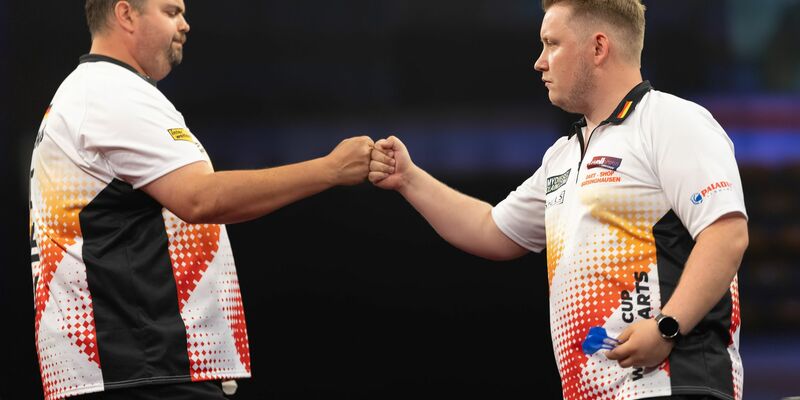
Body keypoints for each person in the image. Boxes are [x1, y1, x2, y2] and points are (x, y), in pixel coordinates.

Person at [368, 0, 749, 399]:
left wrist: (667, 325)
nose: (539, 62)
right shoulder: (563, 157)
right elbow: (490, 229)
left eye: (552, 44)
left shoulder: (671, 121)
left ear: (598, 48)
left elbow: (726, 235)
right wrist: (408, 179)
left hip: (673, 384)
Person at [28, 0, 376, 399]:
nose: (186, 25)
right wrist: (330, 169)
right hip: (143, 368)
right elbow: (200, 199)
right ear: (126, 14)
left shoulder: (90, 93)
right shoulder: (110, 94)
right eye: (171, 12)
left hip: (131, 367)